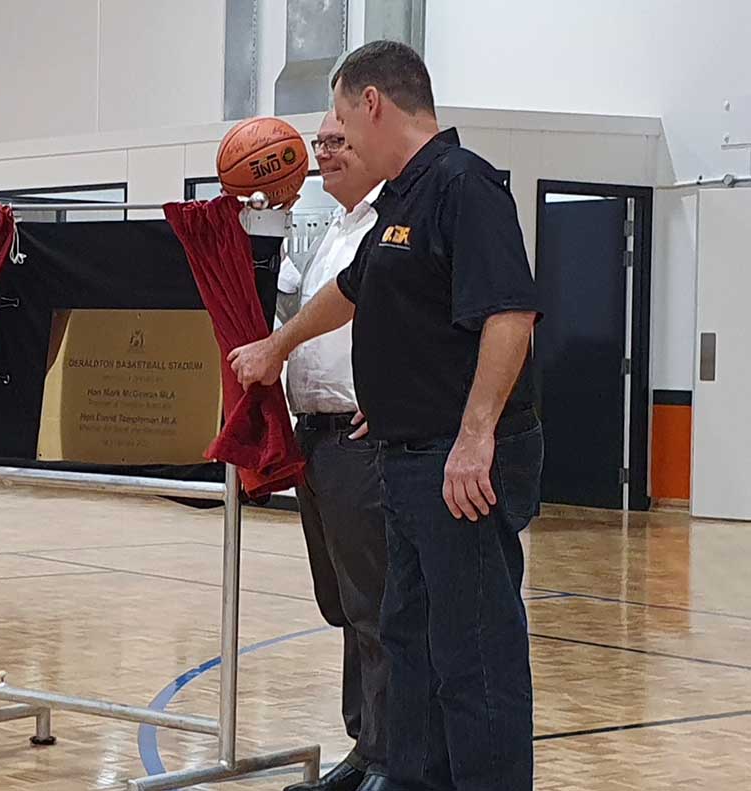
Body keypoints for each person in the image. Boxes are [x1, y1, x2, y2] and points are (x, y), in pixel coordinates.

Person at [231, 40, 543, 791]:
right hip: (405, 460)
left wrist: (474, 438)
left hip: (458, 465)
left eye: (340, 117)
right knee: (409, 643)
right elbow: (352, 288)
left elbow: (511, 315)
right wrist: (278, 345)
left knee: (473, 653)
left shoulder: (466, 187)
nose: (336, 136)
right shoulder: (402, 199)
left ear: (372, 103)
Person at [279, 111, 389, 791]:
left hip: (360, 435)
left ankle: (389, 757)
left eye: (339, 141)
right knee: (344, 606)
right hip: (314, 437)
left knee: (376, 606)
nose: (326, 153)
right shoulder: (334, 230)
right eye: (320, 142)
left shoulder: (388, 226)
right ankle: (363, 747)